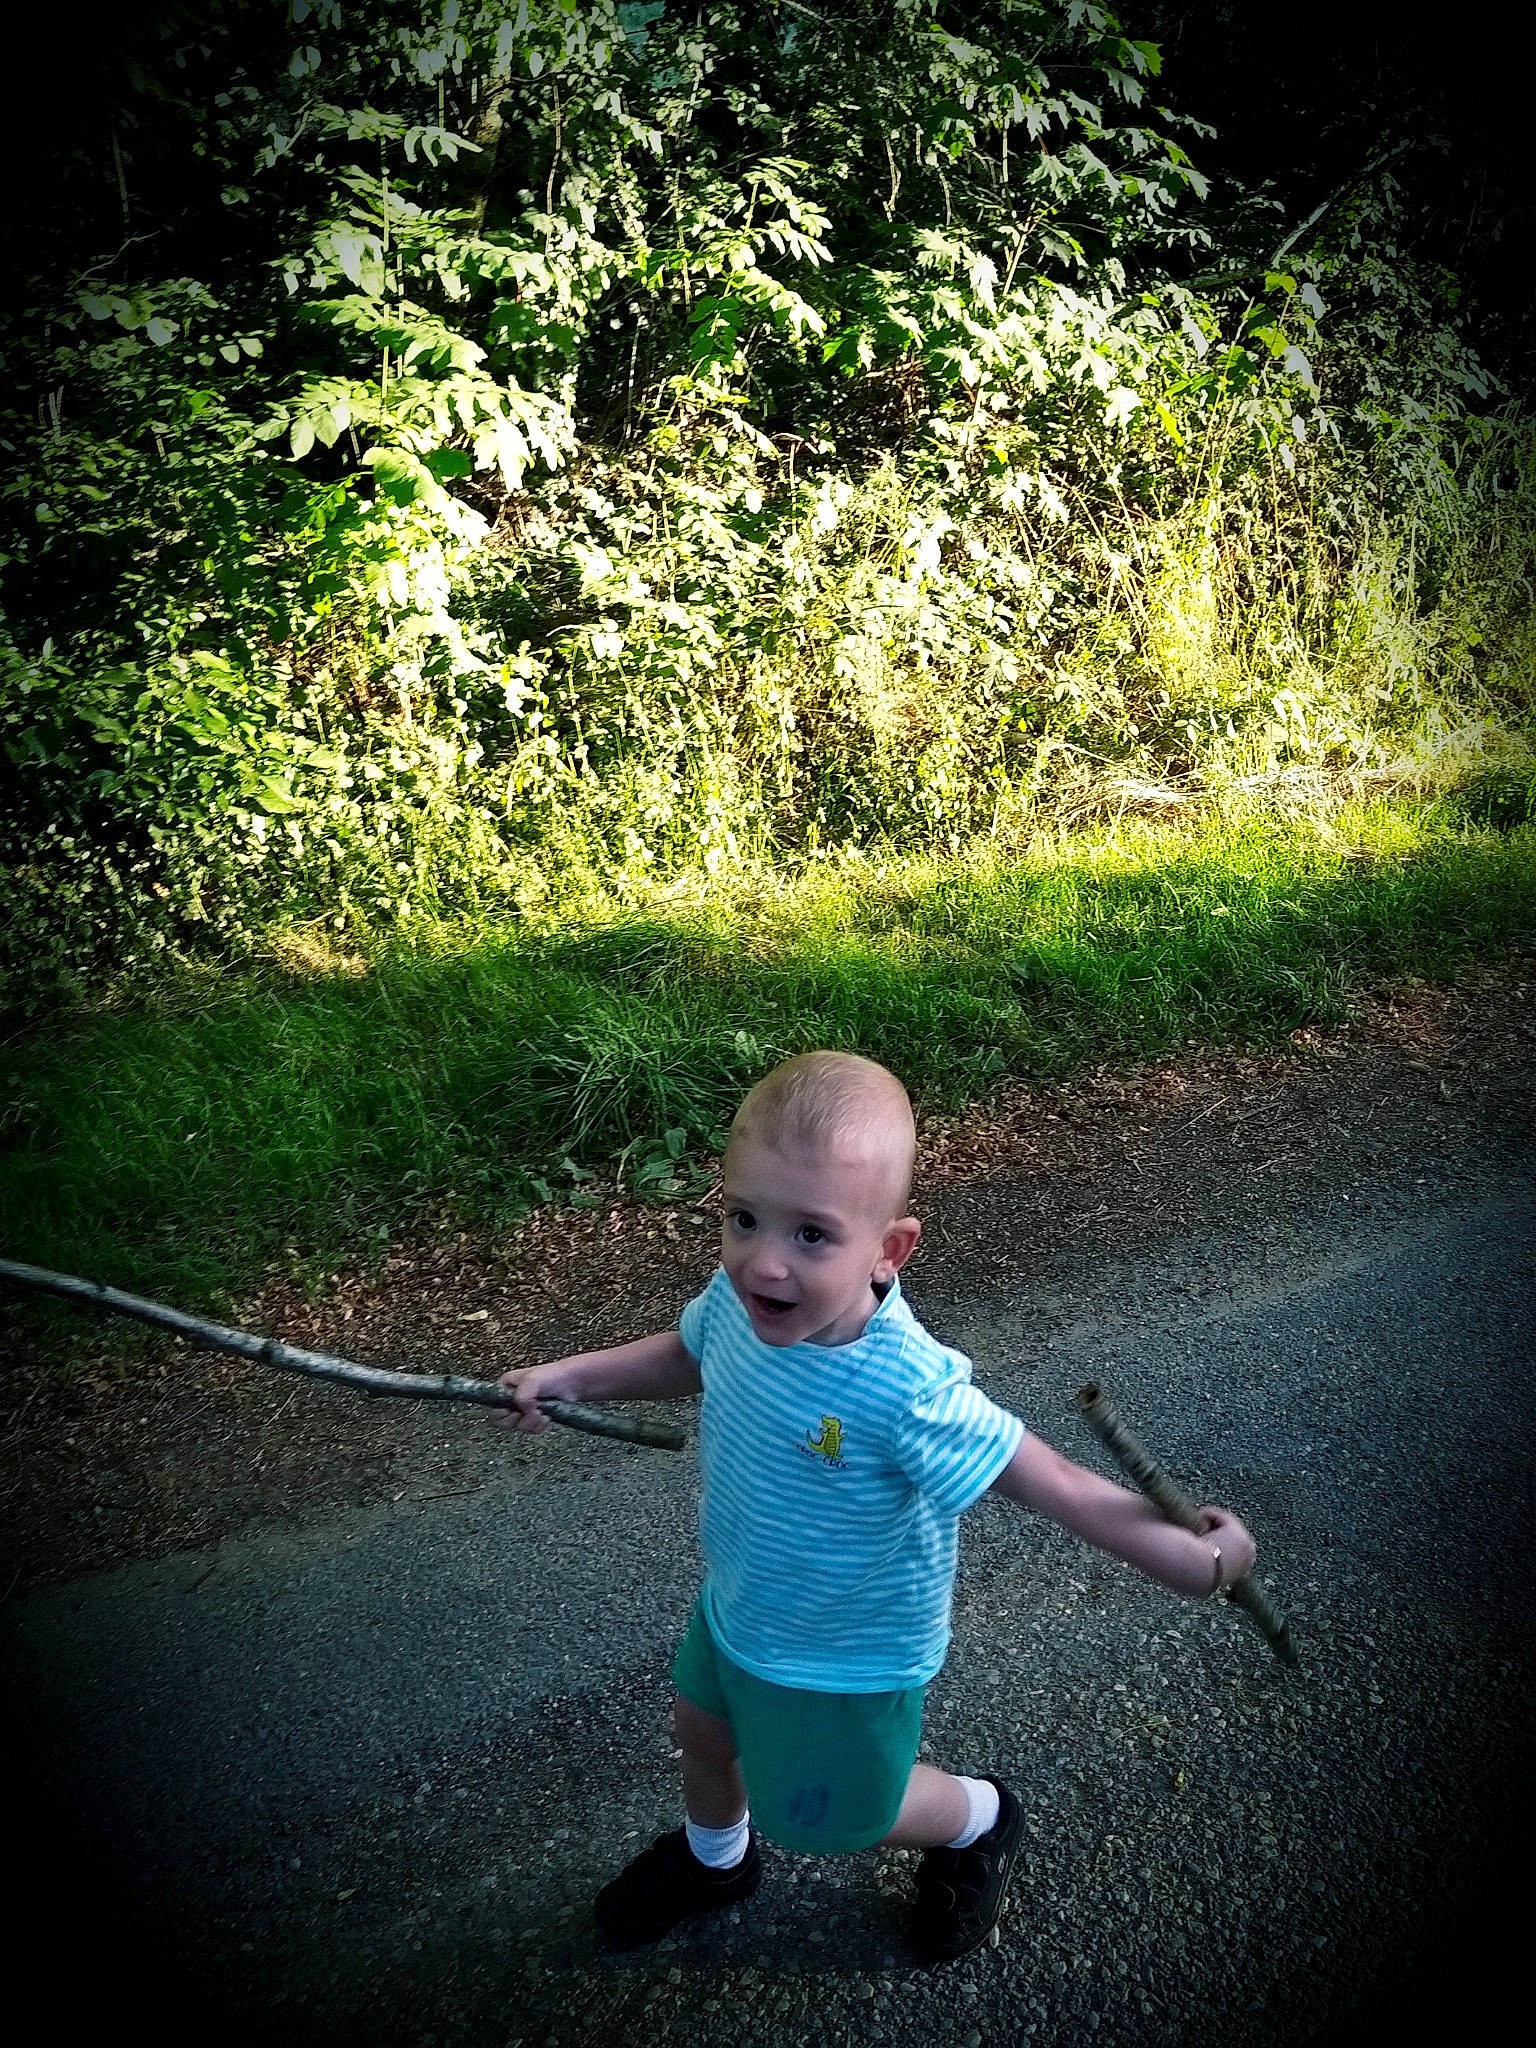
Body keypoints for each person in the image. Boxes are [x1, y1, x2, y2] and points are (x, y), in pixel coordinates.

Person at [493, 1051, 1256, 1964]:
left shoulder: (907, 1389)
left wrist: (1187, 1558)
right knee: (701, 1731)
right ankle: (717, 1860)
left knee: (842, 1816)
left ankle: (978, 1818)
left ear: (888, 1249)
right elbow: (688, 1353)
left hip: (844, 1655)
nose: (764, 1262)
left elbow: (1048, 1479)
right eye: (744, 1219)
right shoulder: (743, 1306)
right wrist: (569, 1377)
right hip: (741, 1606)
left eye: (812, 1235)